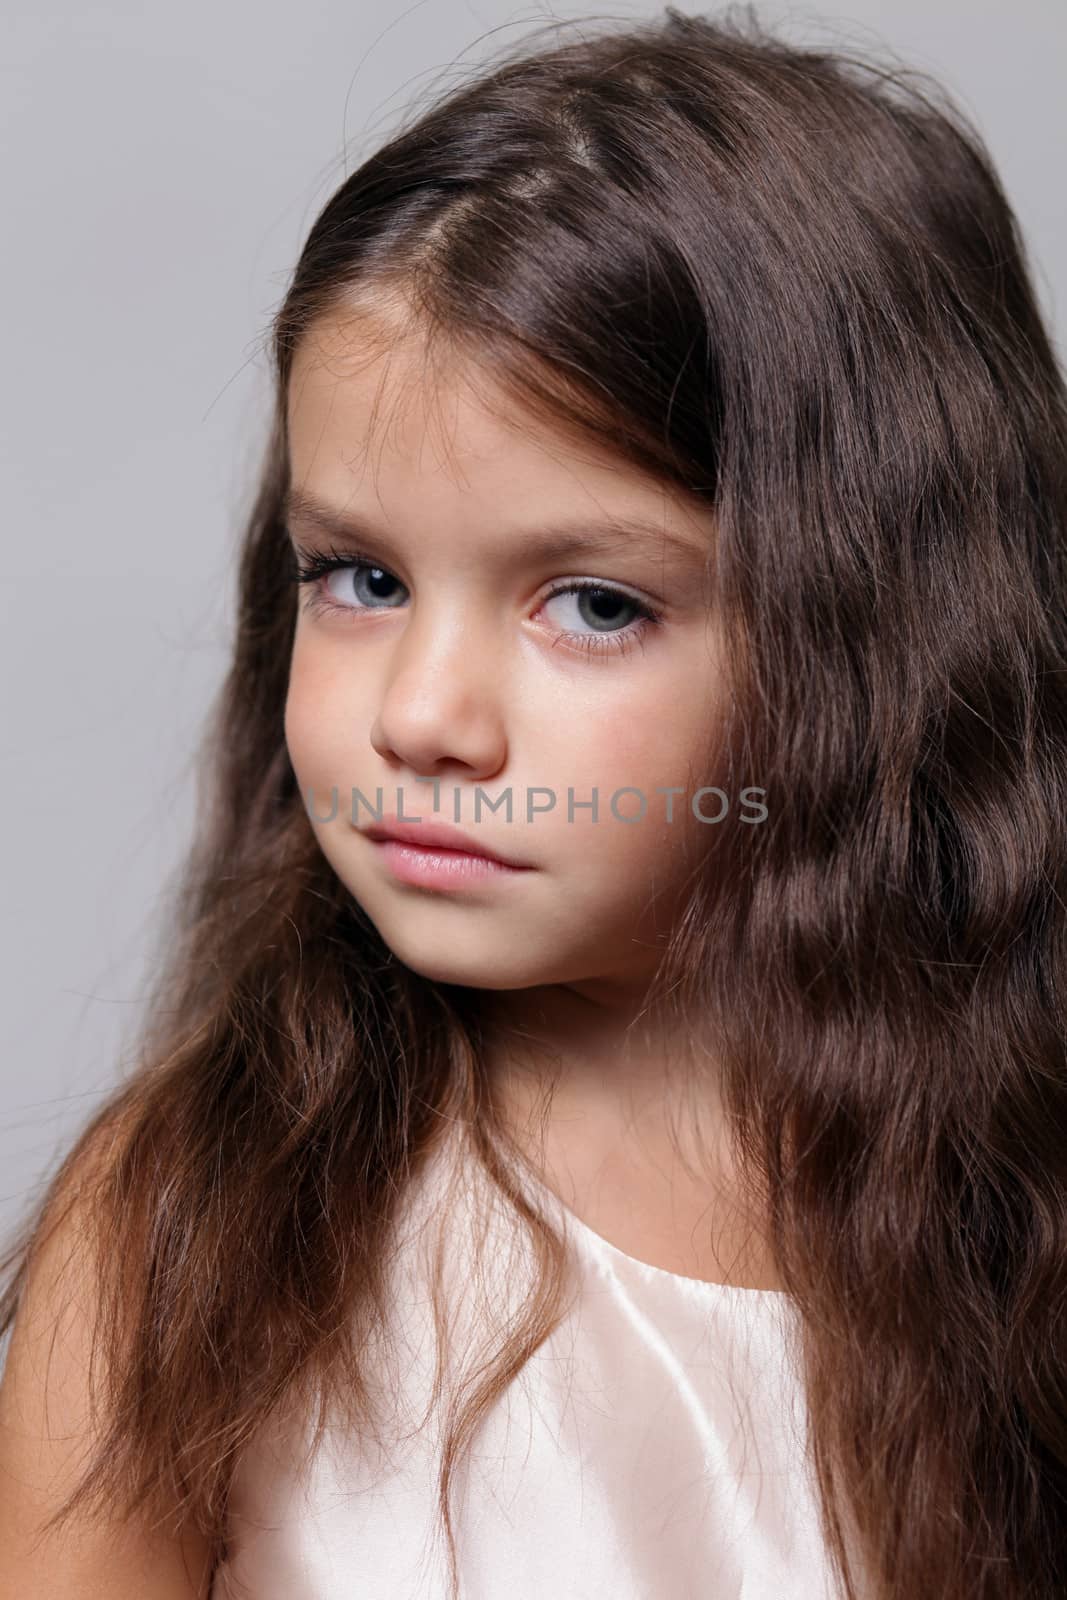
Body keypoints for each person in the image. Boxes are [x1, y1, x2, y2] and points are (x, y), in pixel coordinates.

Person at [3, 6, 1067, 1597]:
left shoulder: (1017, 1237)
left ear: (882, 642)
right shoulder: (189, 1233)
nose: (422, 716)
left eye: (591, 604)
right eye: (359, 578)